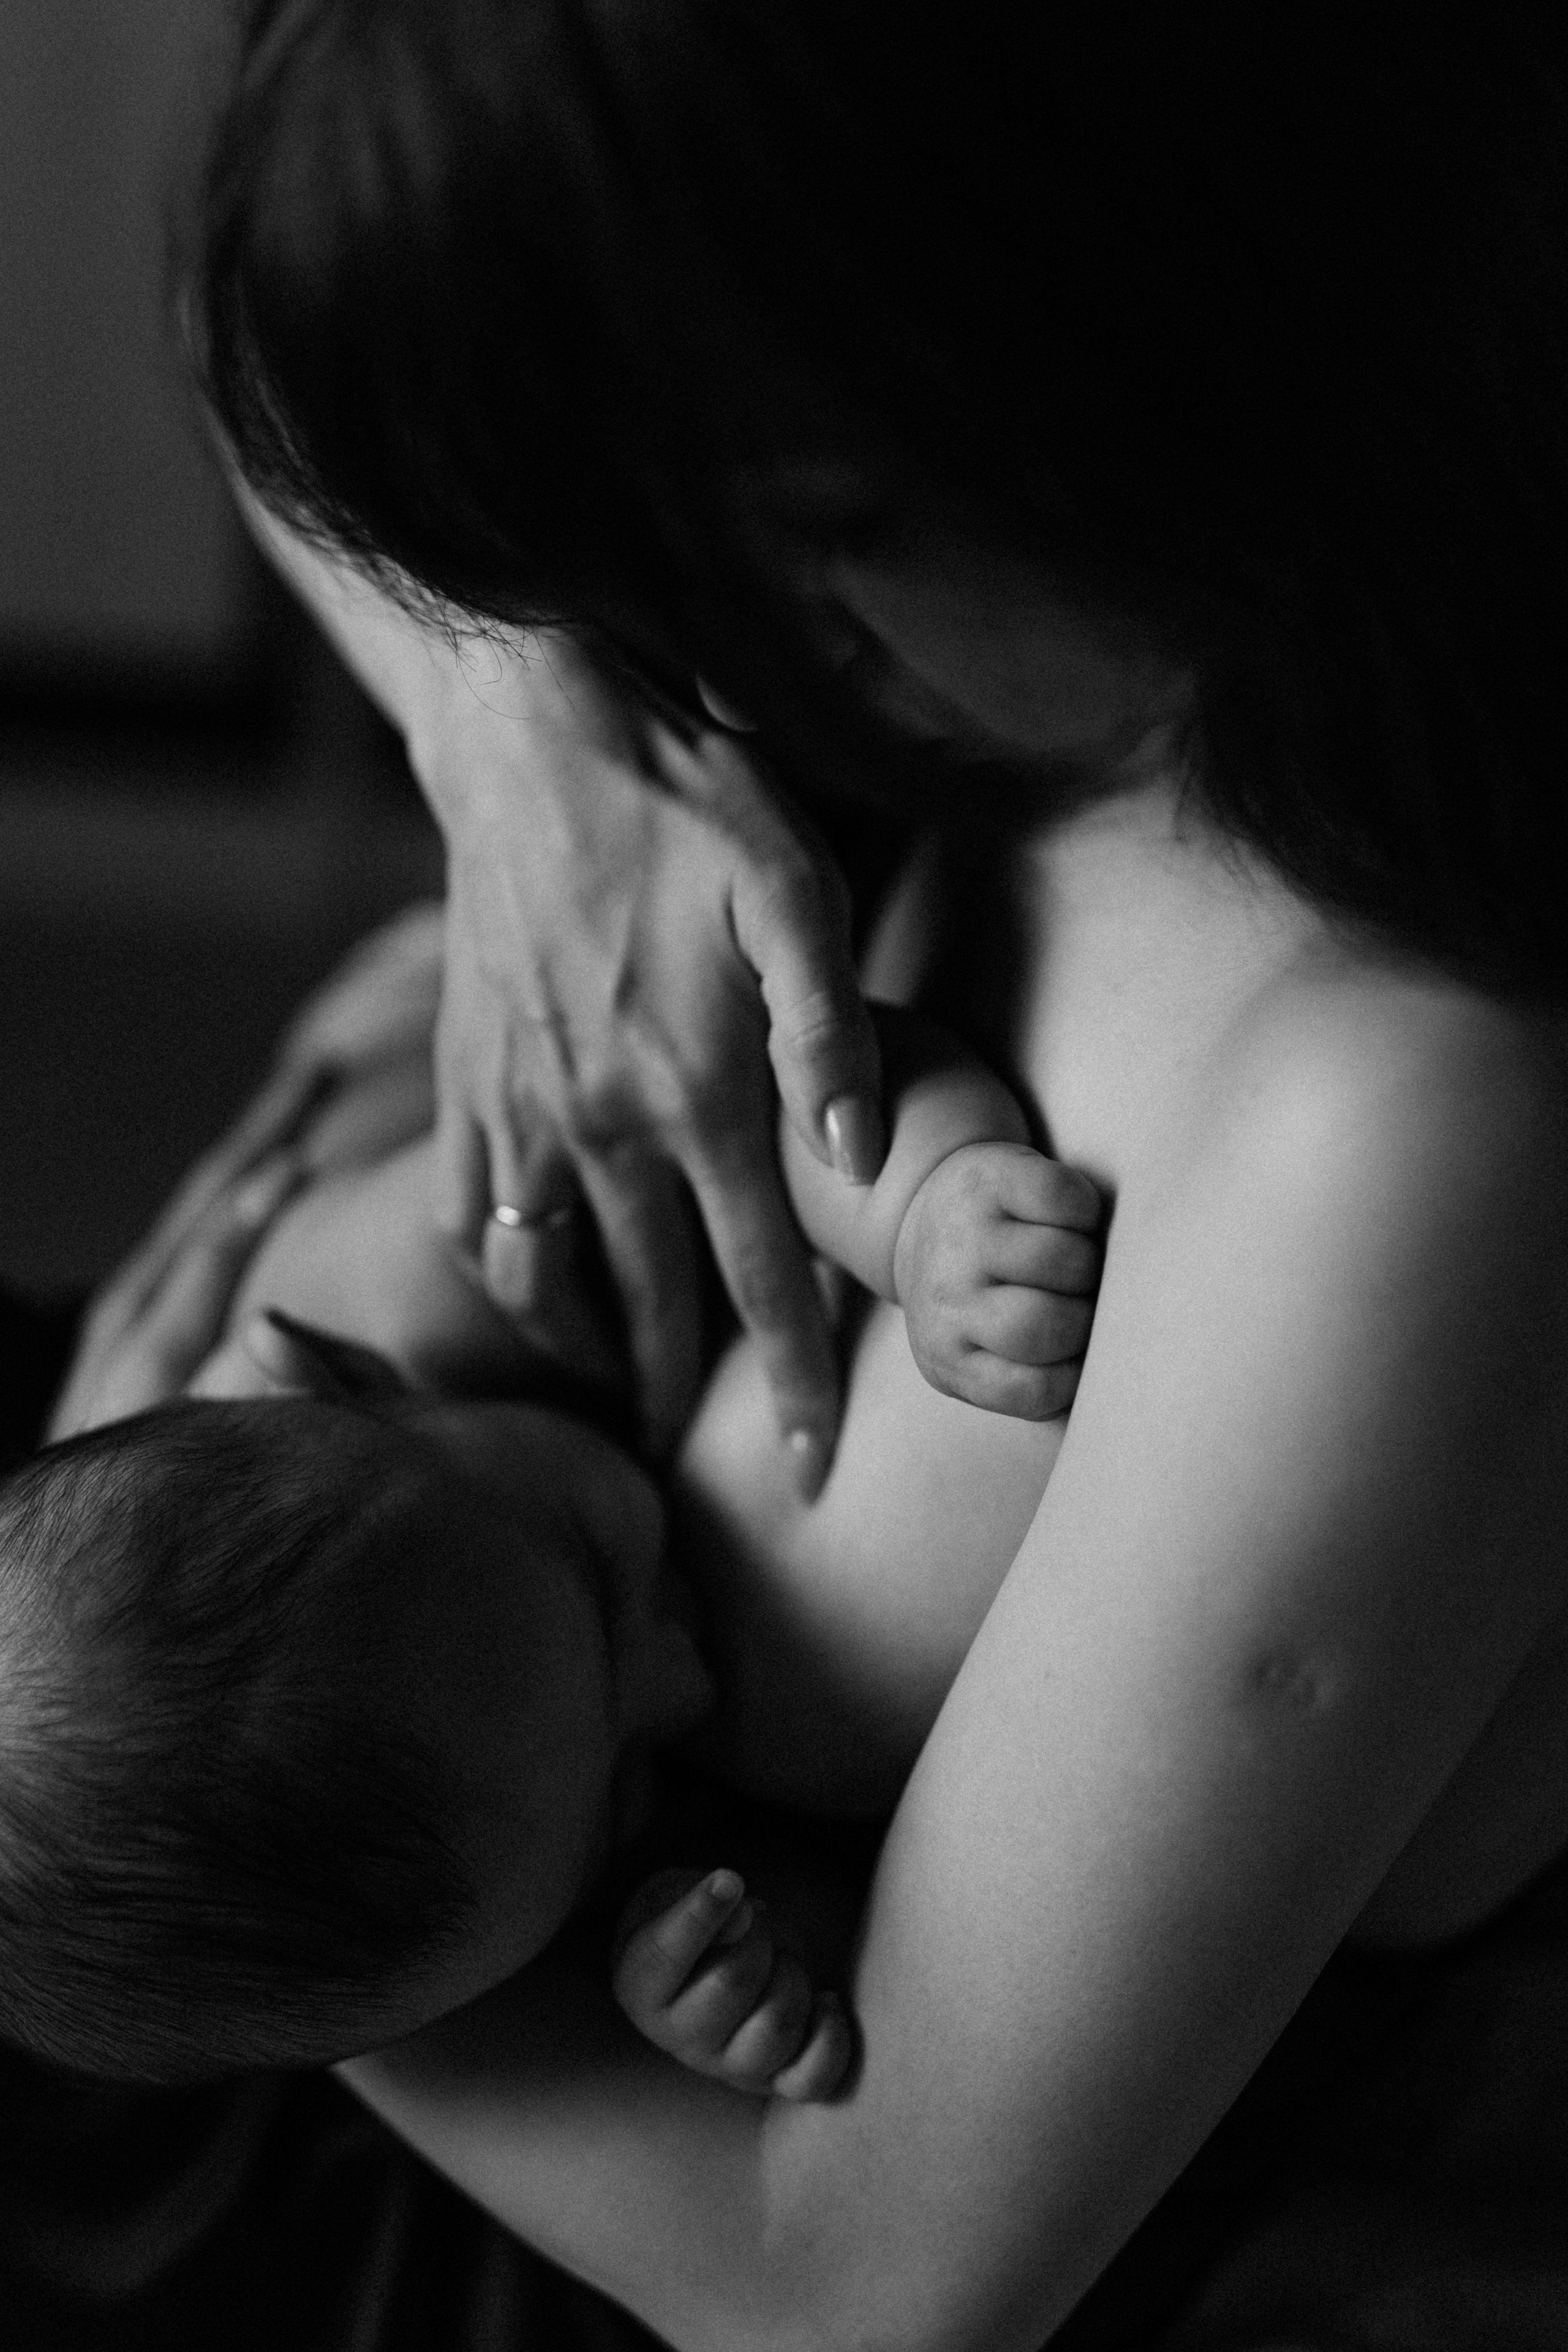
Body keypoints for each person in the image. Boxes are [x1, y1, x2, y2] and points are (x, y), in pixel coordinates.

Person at [181, 4, 1568, 2346]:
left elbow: (862, 2289)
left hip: (508, 2063)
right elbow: (303, 398)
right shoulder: (924, 607)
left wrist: (253, 1868)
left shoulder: (1389, 1127)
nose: (690, 645)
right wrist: (499, 725)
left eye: (803, 536)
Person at [1, 984, 1098, 2085]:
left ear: (360, 1385)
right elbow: (778, 1847)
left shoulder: (445, 1274)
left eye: (599, 1572)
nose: (684, 1690)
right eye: (623, 1792)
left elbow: (758, 1085)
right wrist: (712, 1964)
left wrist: (916, 1213)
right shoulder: (507, 1759)